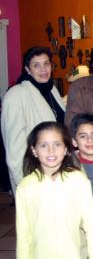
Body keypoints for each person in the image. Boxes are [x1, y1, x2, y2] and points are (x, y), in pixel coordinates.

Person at [16, 122, 93, 258]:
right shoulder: (25, 187)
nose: (51, 150)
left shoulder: (78, 181)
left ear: (65, 149)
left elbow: (92, 227)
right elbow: (23, 234)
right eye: (44, 145)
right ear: (34, 151)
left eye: (57, 144)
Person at [1, 46, 65, 194]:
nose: (43, 69)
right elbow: (14, 147)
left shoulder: (51, 90)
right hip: (33, 173)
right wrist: (23, 184)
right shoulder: (16, 94)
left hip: (56, 167)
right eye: (36, 65)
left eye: (46, 63)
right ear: (27, 69)